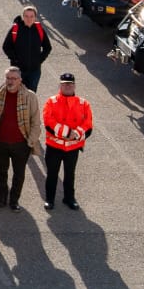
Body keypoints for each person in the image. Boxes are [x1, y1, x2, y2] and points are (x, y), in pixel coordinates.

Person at [0, 65, 41, 211]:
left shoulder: (30, 96)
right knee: (1, 172)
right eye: (8, 78)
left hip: (21, 144)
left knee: (19, 174)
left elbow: (36, 122)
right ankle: (1, 198)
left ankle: (14, 201)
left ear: (20, 80)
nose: (10, 81)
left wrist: (30, 141)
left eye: (14, 78)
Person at [43, 72, 93, 210]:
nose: (68, 86)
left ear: (74, 86)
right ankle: (49, 199)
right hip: (54, 147)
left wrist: (75, 135)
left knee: (70, 175)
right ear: (60, 86)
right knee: (52, 174)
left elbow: (88, 124)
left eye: (70, 84)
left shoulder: (84, 103)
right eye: (65, 84)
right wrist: (67, 133)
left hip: (72, 148)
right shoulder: (51, 101)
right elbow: (48, 121)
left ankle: (69, 198)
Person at [2, 6, 54, 90]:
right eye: (26, 16)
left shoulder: (39, 30)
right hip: (17, 72)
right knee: (16, 93)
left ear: (35, 17)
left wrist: (39, 60)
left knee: (31, 94)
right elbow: (6, 47)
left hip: (34, 71)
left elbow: (47, 47)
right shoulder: (15, 29)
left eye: (31, 16)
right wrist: (15, 59)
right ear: (23, 17)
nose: (29, 19)